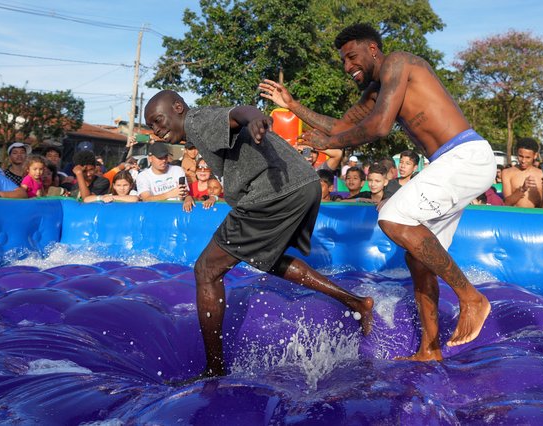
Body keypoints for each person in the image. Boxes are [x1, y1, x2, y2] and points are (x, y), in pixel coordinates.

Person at [261, 22, 495, 361]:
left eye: (351, 57)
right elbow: (344, 127)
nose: (346, 67)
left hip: (467, 156)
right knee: (418, 257)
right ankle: (429, 349)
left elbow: (378, 126)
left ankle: (471, 298)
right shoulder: (377, 89)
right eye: (342, 61)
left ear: (373, 49)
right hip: (450, 162)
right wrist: (293, 106)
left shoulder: (399, 62)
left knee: (392, 216)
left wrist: (330, 143)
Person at [144, 89, 374, 378]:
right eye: (151, 126)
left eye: (157, 120)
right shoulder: (197, 131)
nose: (156, 129)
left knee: (206, 270)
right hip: (301, 186)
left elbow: (237, 114)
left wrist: (254, 118)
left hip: (274, 192)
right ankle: (356, 302)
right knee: (268, 257)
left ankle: (214, 369)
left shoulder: (196, 120)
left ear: (178, 107)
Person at [136, 142, 193, 211]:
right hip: (155, 211)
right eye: (160, 158)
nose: (164, 160)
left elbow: (185, 193)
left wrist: (188, 198)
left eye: (165, 157)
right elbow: (146, 199)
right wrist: (170, 194)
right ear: (150, 158)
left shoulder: (177, 170)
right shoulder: (143, 176)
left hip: (177, 211)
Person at [501, 137, 543, 208]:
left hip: (537, 217)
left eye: (527, 157)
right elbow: (507, 203)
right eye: (521, 156)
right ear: (517, 153)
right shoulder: (507, 173)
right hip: (515, 216)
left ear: (535, 156)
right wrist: (522, 189)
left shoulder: (542, 174)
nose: (523, 160)